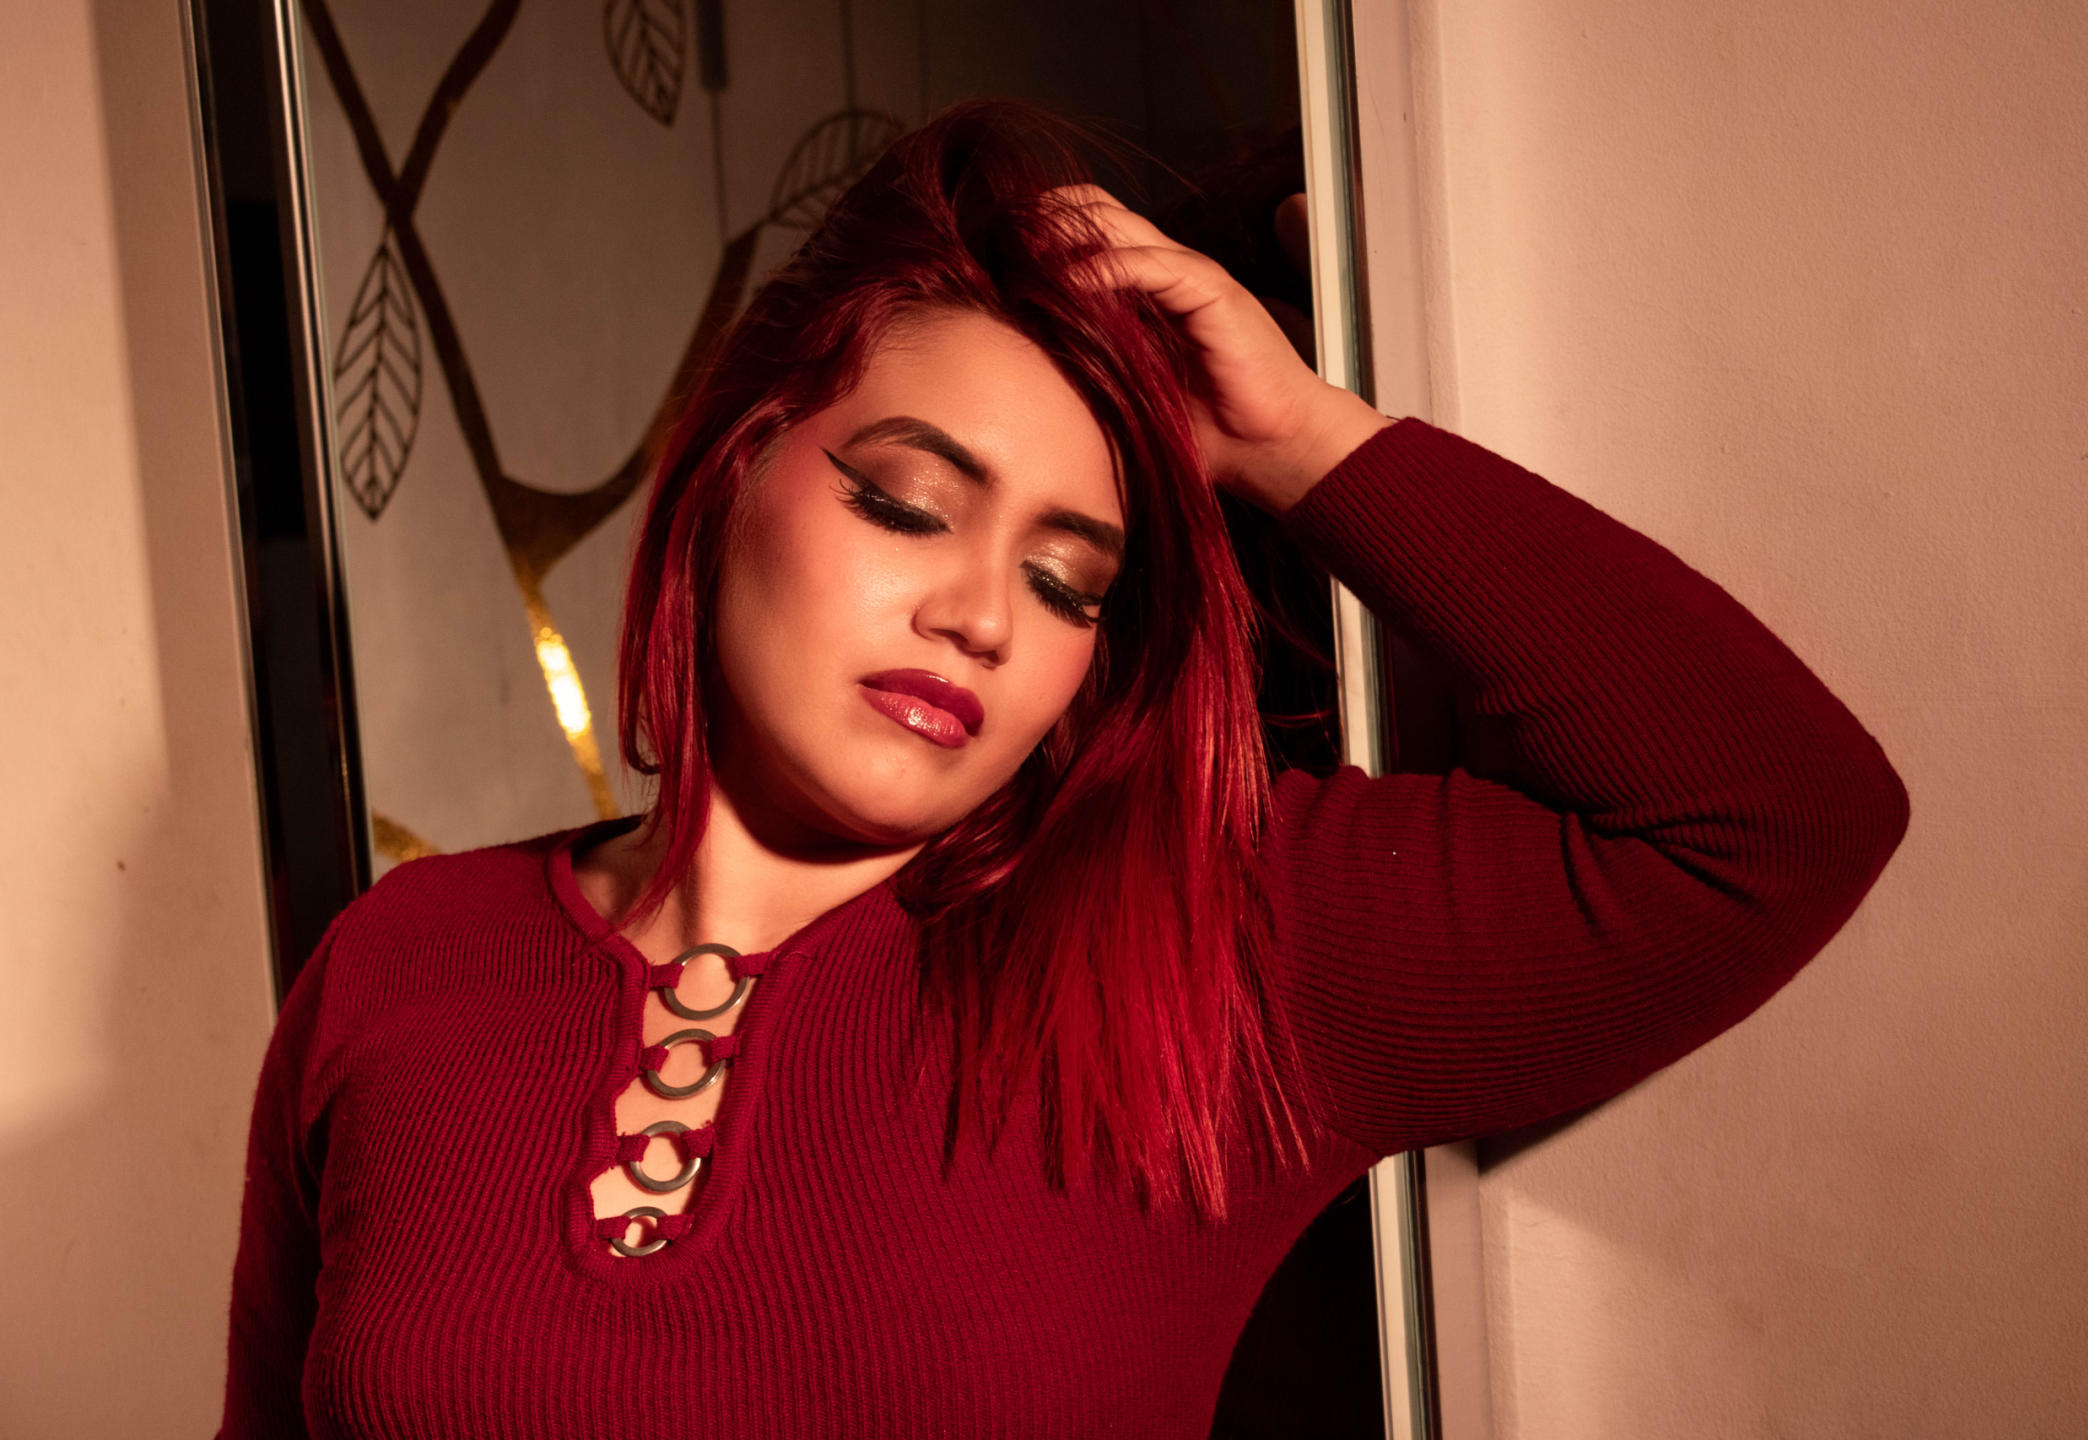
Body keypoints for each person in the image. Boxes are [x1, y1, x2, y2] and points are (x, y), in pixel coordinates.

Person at [217, 102, 1909, 1437]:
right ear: (732, 471)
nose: (978, 615)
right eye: (907, 503)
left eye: (1065, 582)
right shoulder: (399, 963)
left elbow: (1769, 817)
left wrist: (1297, 443)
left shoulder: (1213, 943)